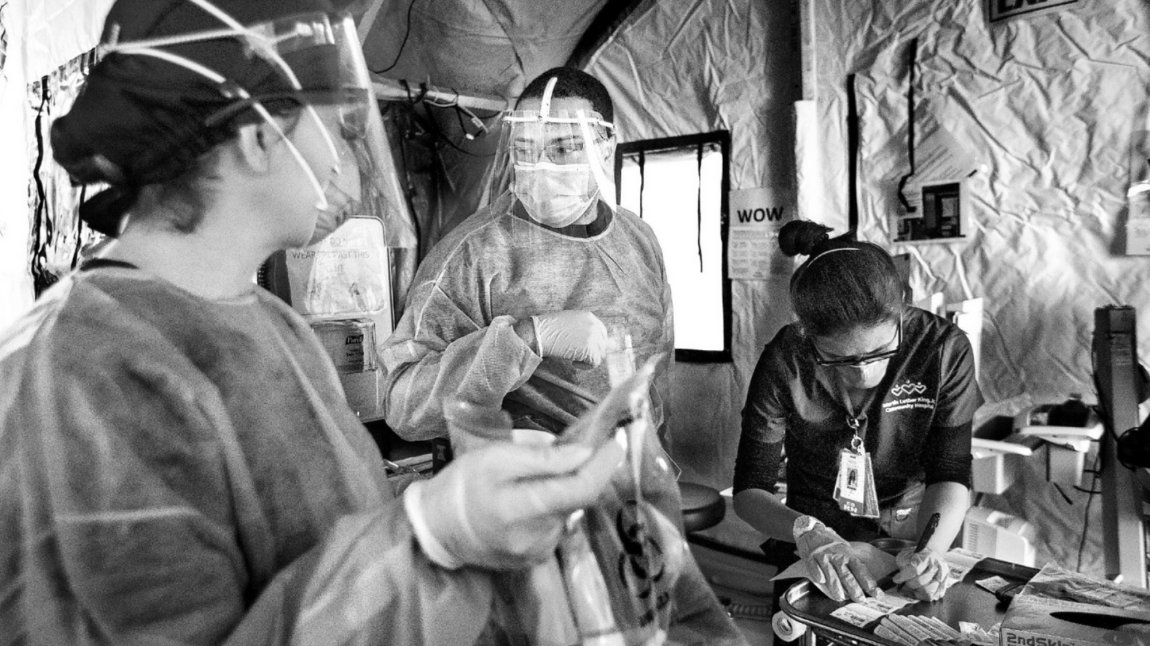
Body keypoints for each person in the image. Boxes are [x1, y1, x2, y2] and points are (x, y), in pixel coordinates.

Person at [0, 2, 741, 644]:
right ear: (259, 135)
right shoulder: (80, 375)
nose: (351, 167)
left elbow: (334, 553)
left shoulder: (273, 328)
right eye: (334, 127)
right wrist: (431, 534)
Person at [380, 67, 675, 450]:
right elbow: (403, 404)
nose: (541, 167)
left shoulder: (639, 241)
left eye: (564, 147)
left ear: (604, 147)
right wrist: (524, 338)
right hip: (533, 489)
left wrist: (658, 463)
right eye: (524, 150)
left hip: (631, 480)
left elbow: (658, 374)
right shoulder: (474, 254)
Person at [733, 220, 980, 604]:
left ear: (901, 312)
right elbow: (750, 491)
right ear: (807, 335)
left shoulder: (943, 350)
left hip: (908, 531)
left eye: (882, 351)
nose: (863, 373)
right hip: (815, 541)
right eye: (838, 359)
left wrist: (929, 551)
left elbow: (950, 472)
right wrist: (806, 531)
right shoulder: (787, 358)